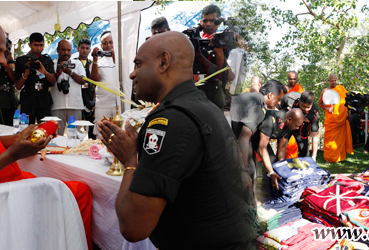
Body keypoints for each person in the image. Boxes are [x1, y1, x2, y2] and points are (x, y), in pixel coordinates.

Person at [98, 31, 256, 249]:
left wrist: (130, 161)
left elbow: (132, 227)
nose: (132, 74)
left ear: (164, 62)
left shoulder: (170, 121)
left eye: (138, 64)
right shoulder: (206, 107)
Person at [0, 16, 92, 249]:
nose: (3, 61)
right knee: (80, 192)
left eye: (4, 52)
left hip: (0, 179)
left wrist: (13, 140)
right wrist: (14, 153)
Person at [231, 79, 286, 203]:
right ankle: (248, 209)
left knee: (252, 166)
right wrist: (243, 171)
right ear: (270, 95)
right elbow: (244, 137)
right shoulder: (259, 107)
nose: (278, 103)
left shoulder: (251, 97)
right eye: (278, 99)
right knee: (249, 172)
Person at [256, 108, 304, 202]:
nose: (297, 128)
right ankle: (262, 197)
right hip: (252, 137)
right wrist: (271, 172)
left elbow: (281, 149)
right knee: (266, 163)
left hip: (263, 141)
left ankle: (271, 192)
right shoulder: (271, 119)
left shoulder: (288, 126)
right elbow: (262, 147)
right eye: (296, 125)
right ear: (289, 119)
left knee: (274, 163)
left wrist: (281, 169)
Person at [193, 4, 234, 109]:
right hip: (192, 95)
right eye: (205, 21)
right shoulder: (193, 39)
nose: (208, 24)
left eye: (212, 21)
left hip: (213, 99)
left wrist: (200, 56)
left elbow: (227, 76)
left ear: (219, 22)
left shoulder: (224, 41)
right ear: (201, 22)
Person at [15, 32, 56, 124]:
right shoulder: (21, 60)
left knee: (46, 128)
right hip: (28, 97)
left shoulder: (46, 60)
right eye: (36, 45)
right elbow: (18, 86)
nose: (39, 48)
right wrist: (26, 73)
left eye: (41, 45)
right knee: (27, 128)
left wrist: (44, 72)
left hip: (44, 97)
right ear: (29, 45)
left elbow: (53, 81)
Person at [50, 40, 87, 135]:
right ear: (57, 50)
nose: (66, 52)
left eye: (69, 50)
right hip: (57, 105)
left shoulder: (77, 63)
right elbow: (49, 82)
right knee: (56, 135)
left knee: (76, 135)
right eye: (63, 50)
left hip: (75, 104)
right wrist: (58, 73)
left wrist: (70, 72)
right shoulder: (52, 64)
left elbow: (83, 80)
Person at [319, 74, 353, 163]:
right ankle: (328, 158)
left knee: (340, 140)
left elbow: (347, 100)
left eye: (335, 80)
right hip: (331, 120)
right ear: (328, 81)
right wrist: (327, 108)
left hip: (341, 118)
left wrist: (348, 112)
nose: (334, 82)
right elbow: (320, 104)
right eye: (332, 81)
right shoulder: (325, 91)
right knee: (329, 139)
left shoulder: (341, 88)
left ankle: (340, 158)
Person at [92, 31, 120, 137]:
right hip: (103, 104)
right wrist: (95, 60)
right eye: (105, 43)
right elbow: (94, 80)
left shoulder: (122, 59)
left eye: (111, 42)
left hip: (119, 104)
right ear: (101, 45)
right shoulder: (98, 61)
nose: (108, 45)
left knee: (119, 133)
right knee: (101, 134)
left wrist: (115, 59)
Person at [284, 91, 320, 160]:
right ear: (299, 100)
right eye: (304, 106)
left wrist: (314, 155)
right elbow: (278, 109)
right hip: (287, 127)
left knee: (304, 154)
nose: (306, 109)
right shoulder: (290, 99)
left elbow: (315, 135)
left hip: (302, 130)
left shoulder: (314, 113)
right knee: (282, 148)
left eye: (308, 107)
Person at [76, 38, 99, 139]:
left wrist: (94, 100)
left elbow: (97, 83)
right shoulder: (73, 63)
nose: (84, 50)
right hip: (76, 97)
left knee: (91, 128)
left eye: (87, 48)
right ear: (78, 49)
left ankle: (91, 149)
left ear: (90, 50)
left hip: (90, 98)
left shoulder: (93, 64)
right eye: (82, 48)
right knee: (76, 127)